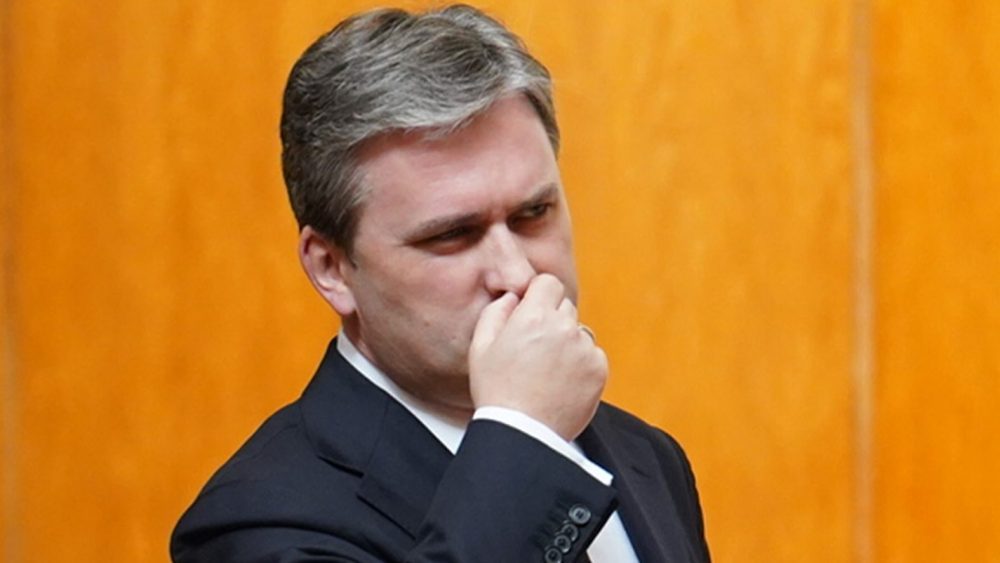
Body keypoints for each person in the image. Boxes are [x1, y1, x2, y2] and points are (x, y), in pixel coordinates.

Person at [171, 4, 710, 562]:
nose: (517, 275)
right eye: (452, 235)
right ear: (331, 268)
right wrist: (529, 440)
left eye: (533, 213)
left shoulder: (648, 457)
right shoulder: (259, 521)